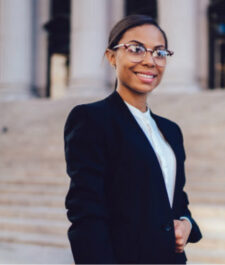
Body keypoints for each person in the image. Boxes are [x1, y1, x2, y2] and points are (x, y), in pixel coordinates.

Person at [64, 15, 202, 264]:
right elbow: (86, 214)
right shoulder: (91, 119)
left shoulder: (171, 131)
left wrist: (187, 224)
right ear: (112, 56)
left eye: (159, 53)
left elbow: (177, 200)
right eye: (136, 49)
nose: (150, 61)